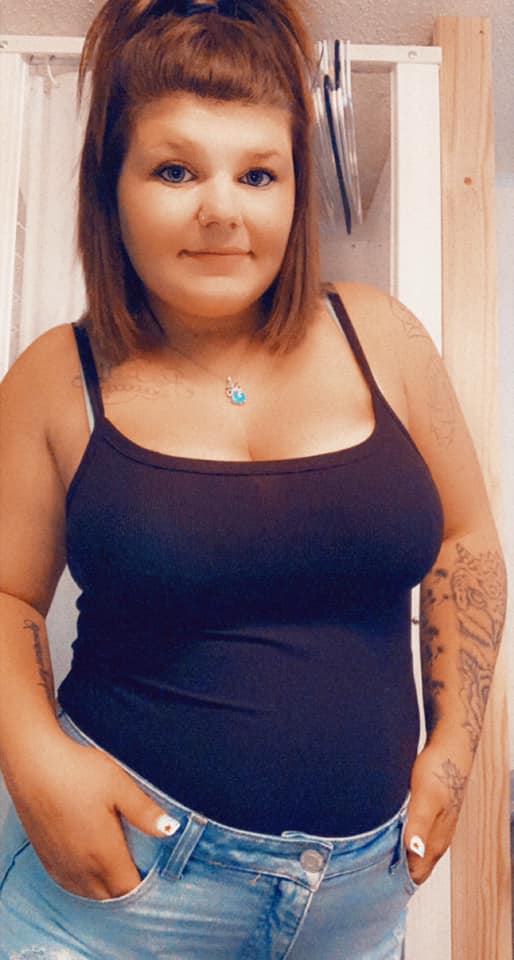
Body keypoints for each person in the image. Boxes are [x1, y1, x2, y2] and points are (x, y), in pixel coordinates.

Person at [0, 0, 506, 957]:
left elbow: (465, 539)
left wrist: (455, 749)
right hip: (120, 893)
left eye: (259, 173)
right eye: (175, 170)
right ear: (112, 189)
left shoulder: (384, 336)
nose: (222, 210)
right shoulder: (54, 377)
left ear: (295, 192)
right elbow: (6, 594)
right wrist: (34, 760)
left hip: (356, 906)